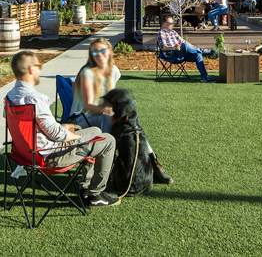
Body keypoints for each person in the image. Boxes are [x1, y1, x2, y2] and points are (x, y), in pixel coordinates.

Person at [5, 51, 120, 207]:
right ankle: (96, 194)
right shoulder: (35, 98)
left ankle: (85, 188)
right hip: (51, 156)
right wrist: (73, 136)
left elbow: (33, 128)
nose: (40, 69)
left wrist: (62, 128)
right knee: (108, 141)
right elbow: (58, 135)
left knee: (95, 131)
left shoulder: (10, 97)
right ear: (31, 69)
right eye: (39, 66)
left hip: (27, 154)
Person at [70, 38, 174, 183]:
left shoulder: (113, 71)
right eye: (94, 51)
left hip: (104, 114)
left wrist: (117, 108)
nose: (99, 54)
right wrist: (106, 108)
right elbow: (88, 106)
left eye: (102, 51)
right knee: (108, 117)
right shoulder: (87, 73)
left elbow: (112, 97)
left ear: (109, 52)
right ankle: (108, 164)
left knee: (131, 119)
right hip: (81, 119)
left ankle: (153, 162)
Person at [158, 16, 216, 83]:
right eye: (171, 23)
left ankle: (204, 77)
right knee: (184, 45)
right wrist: (173, 47)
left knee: (198, 55)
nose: (173, 25)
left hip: (181, 54)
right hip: (171, 55)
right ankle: (204, 51)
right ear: (165, 24)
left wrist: (194, 47)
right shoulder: (161, 33)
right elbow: (163, 47)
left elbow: (184, 41)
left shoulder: (173, 32)